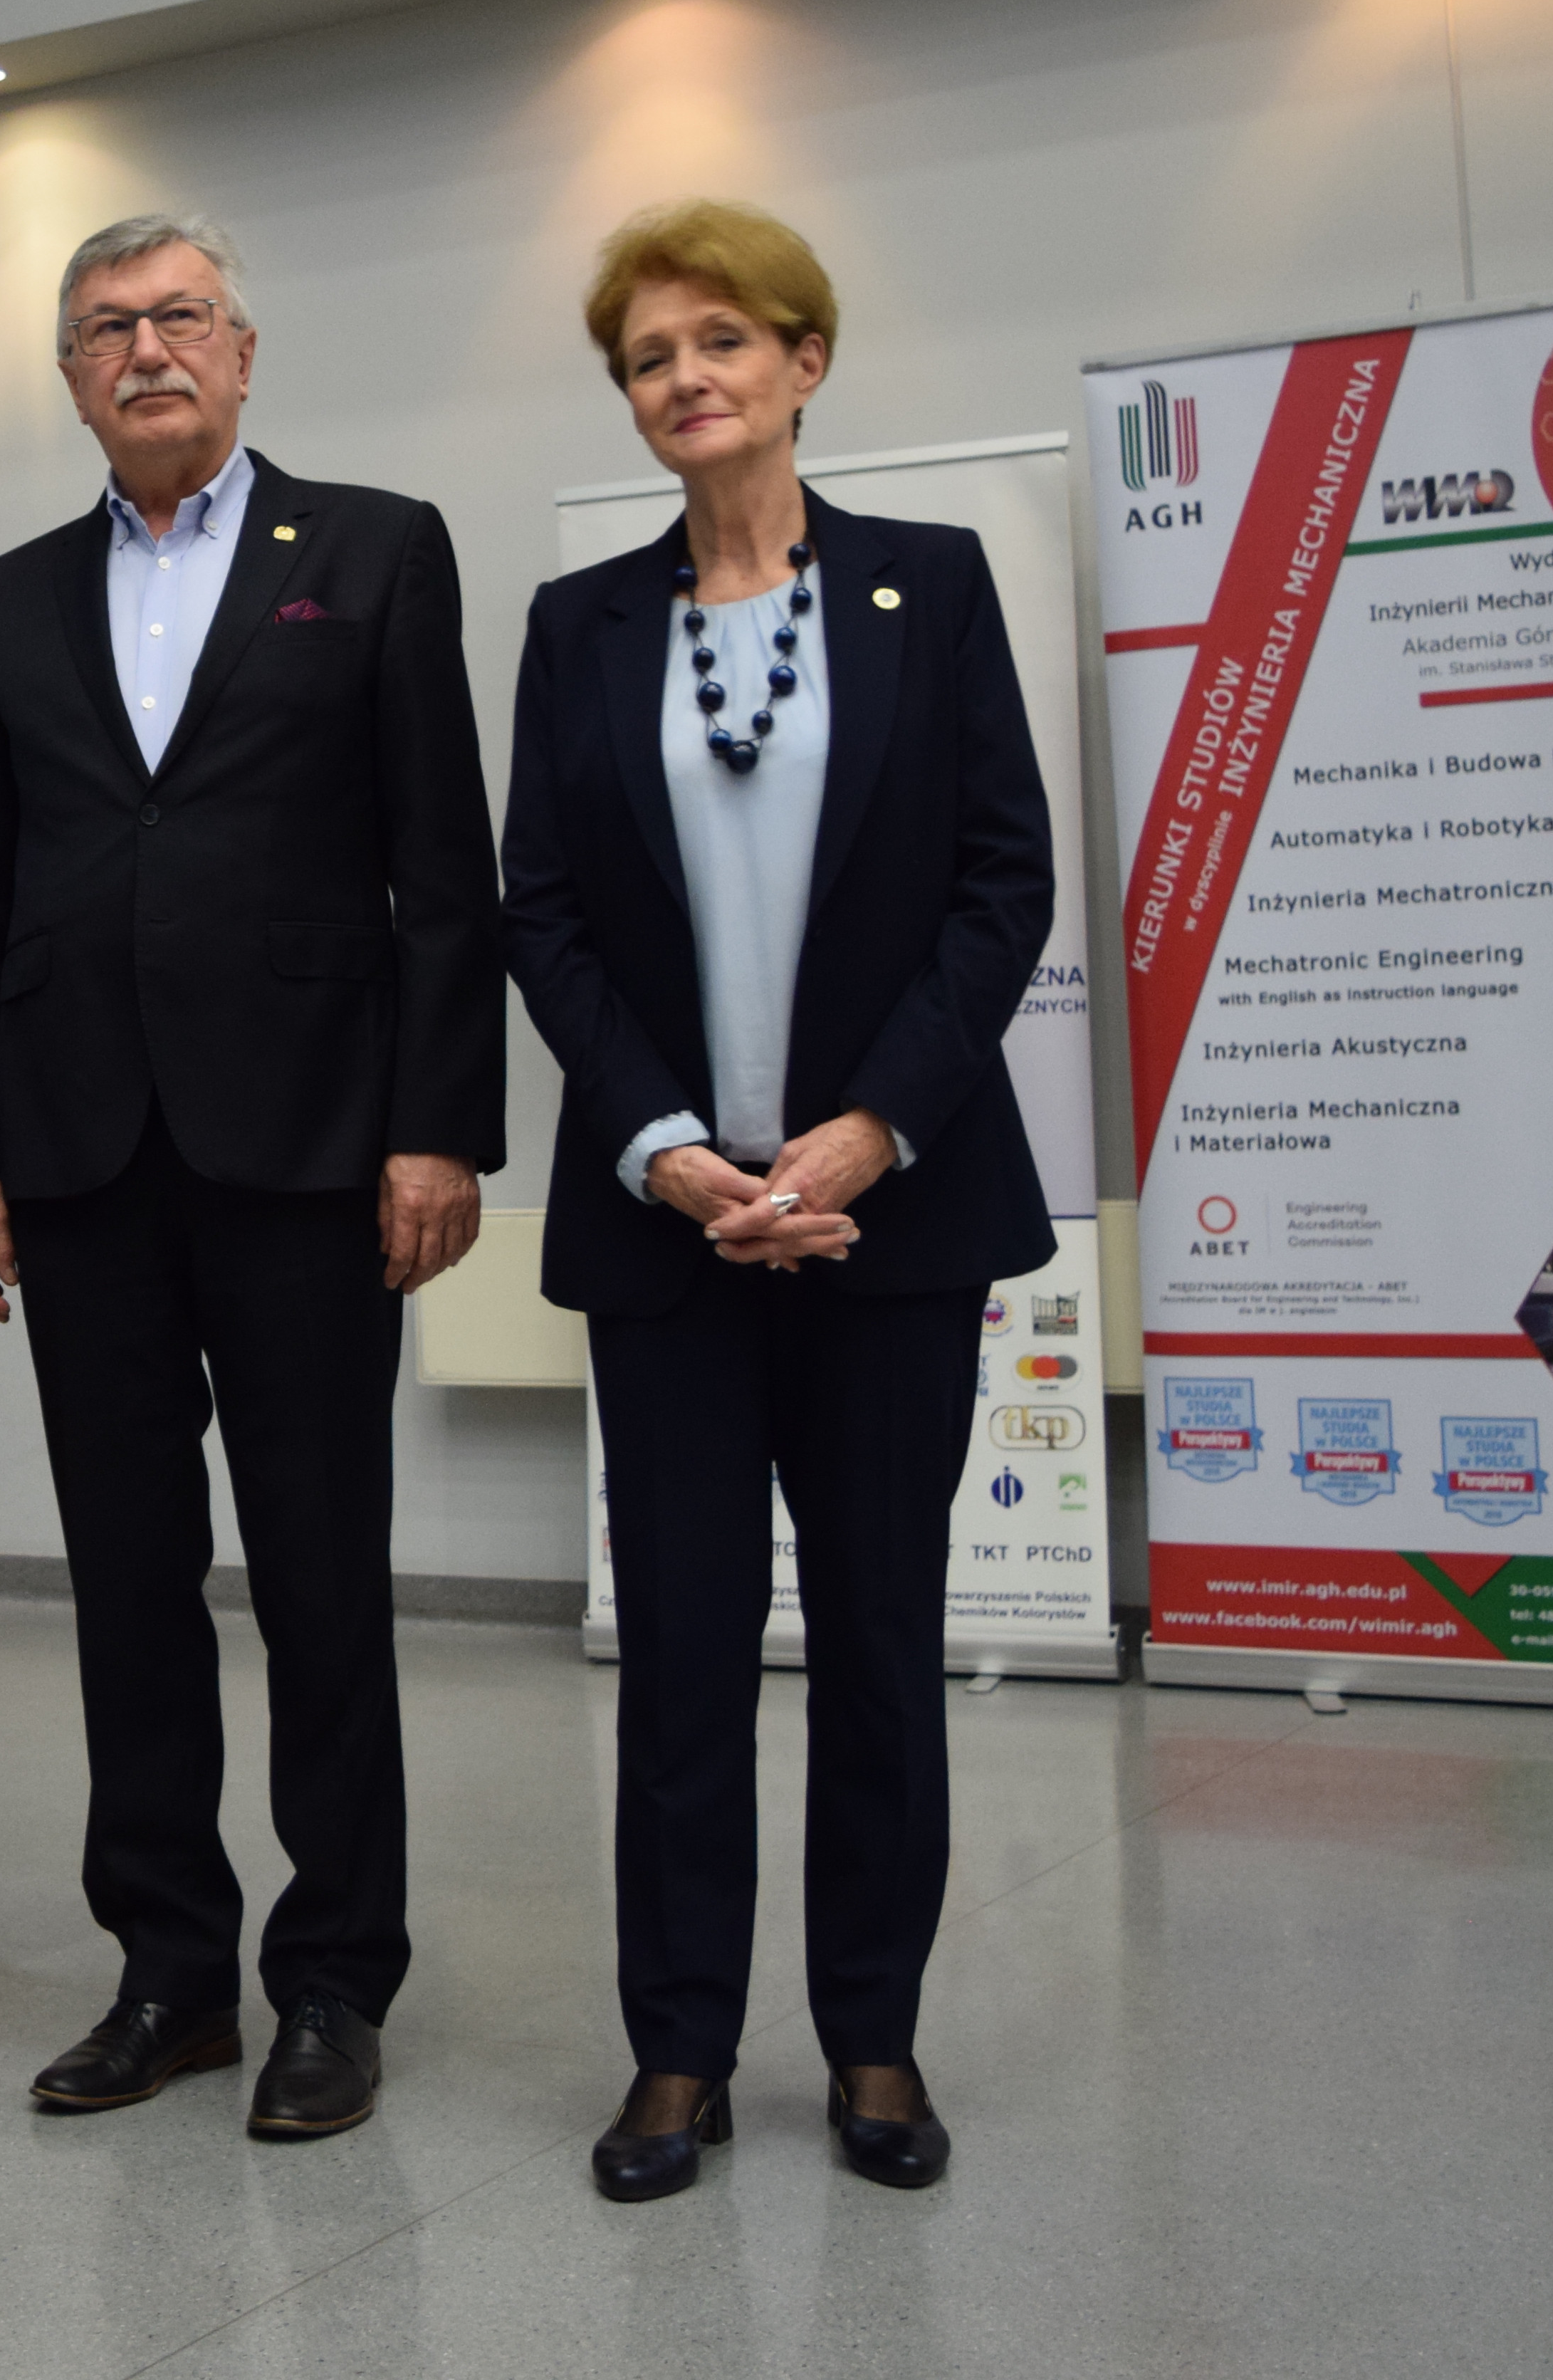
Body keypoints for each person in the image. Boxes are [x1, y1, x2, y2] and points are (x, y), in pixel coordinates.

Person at [0, 211, 506, 2144]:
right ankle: (168, 1967)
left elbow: (444, 865)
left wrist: (439, 1125)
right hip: (79, 1153)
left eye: (180, 317)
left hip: (314, 1146)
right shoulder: (13, 596)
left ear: (243, 353)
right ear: (71, 376)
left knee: (322, 1573)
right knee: (125, 1582)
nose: (147, 349)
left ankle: (334, 1975)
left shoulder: (374, 550)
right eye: (108, 328)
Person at [496, 199, 1054, 2203]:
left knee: (883, 1644)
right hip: (671, 1236)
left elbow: (1002, 883)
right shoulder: (581, 625)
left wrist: (862, 1134)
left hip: (887, 1224)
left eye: (722, 340)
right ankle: (679, 2052)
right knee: (683, 1657)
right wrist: (667, 1147)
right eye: (650, 356)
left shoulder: (932, 583)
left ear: (806, 361)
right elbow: (542, 914)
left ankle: (874, 2040)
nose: (687, 378)